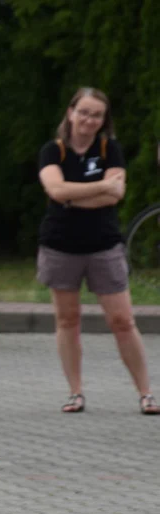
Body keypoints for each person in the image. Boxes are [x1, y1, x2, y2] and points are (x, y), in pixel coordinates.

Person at [37, 88, 157, 415]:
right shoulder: (53, 151)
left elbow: (115, 194)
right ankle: (76, 393)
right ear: (71, 112)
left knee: (122, 320)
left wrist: (72, 196)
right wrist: (99, 186)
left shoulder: (110, 149)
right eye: (84, 112)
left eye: (97, 115)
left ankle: (146, 393)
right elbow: (55, 189)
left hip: (104, 246)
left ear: (104, 120)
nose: (90, 120)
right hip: (60, 246)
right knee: (67, 319)